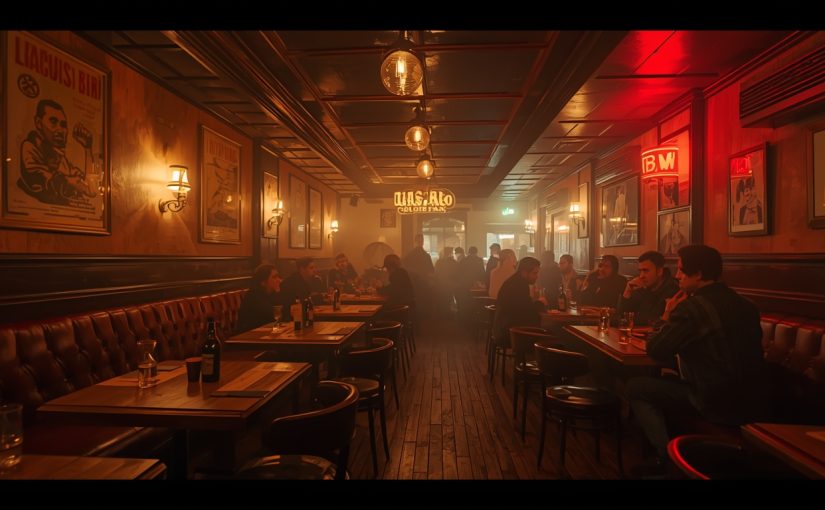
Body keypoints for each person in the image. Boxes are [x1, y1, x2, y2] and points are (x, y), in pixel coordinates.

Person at [626, 245, 769, 474]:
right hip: (754, 397)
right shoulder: (746, 305)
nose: (677, 276)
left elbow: (656, 349)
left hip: (714, 399)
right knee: (665, 380)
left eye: (681, 270)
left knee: (636, 387)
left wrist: (666, 316)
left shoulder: (692, 308)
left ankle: (666, 459)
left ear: (699, 274)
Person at [18, 99, 97, 206]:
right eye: (53, 122)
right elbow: (38, 178)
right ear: (38, 123)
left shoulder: (61, 160)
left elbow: (91, 190)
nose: (60, 130)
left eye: (63, 125)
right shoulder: (30, 148)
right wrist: (69, 182)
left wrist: (87, 148)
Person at [492, 257, 546, 344]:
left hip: (503, 328)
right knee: (550, 331)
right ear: (524, 272)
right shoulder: (519, 285)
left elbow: (524, 306)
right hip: (510, 333)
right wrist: (541, 303)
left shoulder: (514, 281)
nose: (537, 276)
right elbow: (528, 310)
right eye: (534, 273)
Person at [618, 251, 679, 326]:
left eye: (645, 271)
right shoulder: (642, 287)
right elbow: (622, 317)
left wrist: (634, 319)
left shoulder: (672, 290)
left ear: (659, 271)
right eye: (640, 271)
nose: (641, 276)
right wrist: (628, 291)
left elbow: (652, 320)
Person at [237, 264, 283, 333]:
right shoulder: (254, 295)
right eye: (274, 277)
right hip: (249, 336)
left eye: (278, 277)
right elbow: (272, 314)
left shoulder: (271, 294)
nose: (279, 280)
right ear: (263, 282)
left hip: (265, 333)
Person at [403, 234, 434, 318]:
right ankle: (423, 316)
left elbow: (404, 268)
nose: (421, 242)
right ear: (422, 242)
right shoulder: (426, 256)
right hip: (424, 282)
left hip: (413, 282)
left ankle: (415, 316)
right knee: (423, 300)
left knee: (414, 301)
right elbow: (431, 270)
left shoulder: (409, 255)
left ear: (415, 242)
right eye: (421, 240)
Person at [434, 247, 459, 318]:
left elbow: (436, 273)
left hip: (441, 284)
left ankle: (442, 314)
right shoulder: (454, 262)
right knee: (449, 299)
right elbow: (457, 273)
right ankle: (448, 313)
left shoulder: (439, 262)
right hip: (450, 285)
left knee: (442, 299)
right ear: (450, 253)